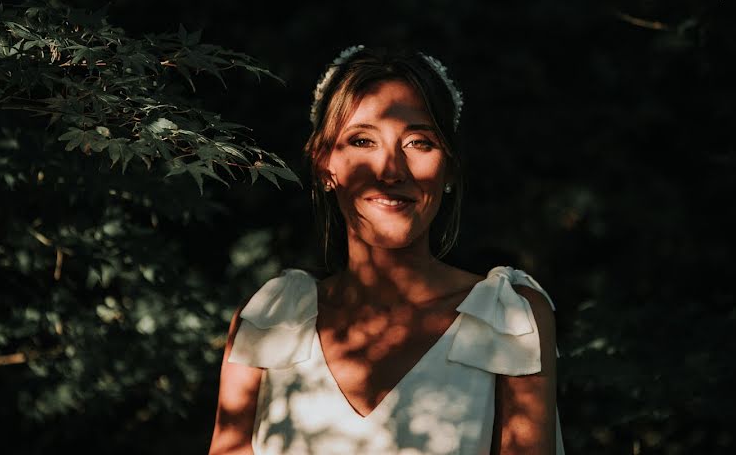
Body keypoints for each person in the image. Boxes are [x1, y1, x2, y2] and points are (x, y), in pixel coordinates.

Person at [208, 46, 564, 455]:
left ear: (449, 167)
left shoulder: (508, 318)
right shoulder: (271, 320)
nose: (391, 170)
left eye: (419, 142)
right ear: (326, 166)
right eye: (363, 141)